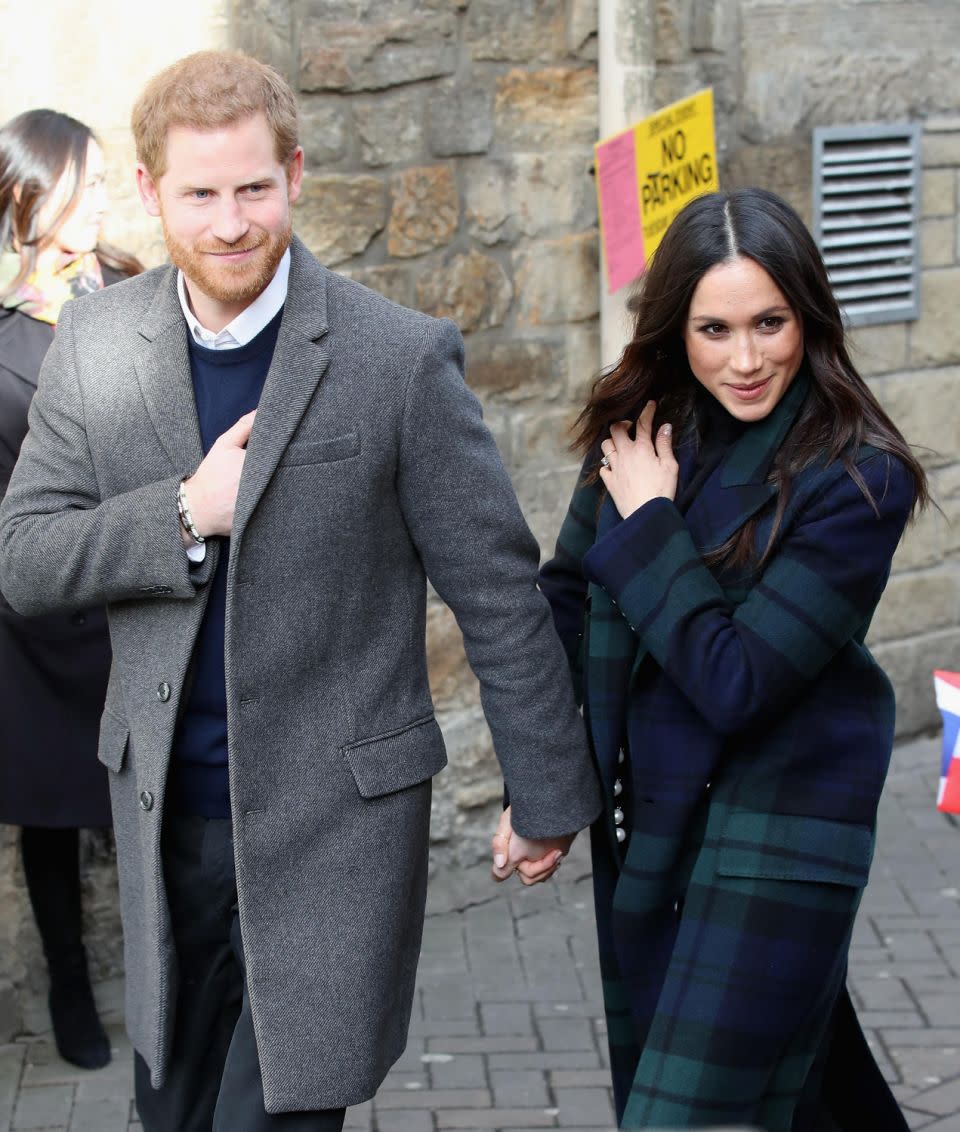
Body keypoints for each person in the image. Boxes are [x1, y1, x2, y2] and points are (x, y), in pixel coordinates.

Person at [0, 50, 600, 1132]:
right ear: (150, 191)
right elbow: (26, 557)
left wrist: (547, 786)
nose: (230, 223)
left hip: (335, 833)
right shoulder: (92, 343)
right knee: (170, 1114)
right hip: (167, 819)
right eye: (199, 193)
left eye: (253, 189)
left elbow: (497, 586)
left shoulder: (398, 358)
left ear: (296, 174)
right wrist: (184, 511)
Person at [513, 187, 927, 1130]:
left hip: (777, 844)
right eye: (715, 328)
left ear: (808, 315)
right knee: (808, 1095)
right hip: (650, 838)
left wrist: (652, 522)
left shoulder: (858, 476)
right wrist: (538, 789)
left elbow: (735, 683)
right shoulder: (641, 433)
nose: (745, 359)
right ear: (676, 329)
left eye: (770, 323)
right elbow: (566, 605)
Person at [0, 108, 142, 1070]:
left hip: (137, 585)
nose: (104, 199)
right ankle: (69, 983)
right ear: (31, 194)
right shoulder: (2, 328)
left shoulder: (133, 288)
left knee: (146, 794)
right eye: (85, 183)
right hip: (32, 613)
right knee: (51, 808)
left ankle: (177, 973)